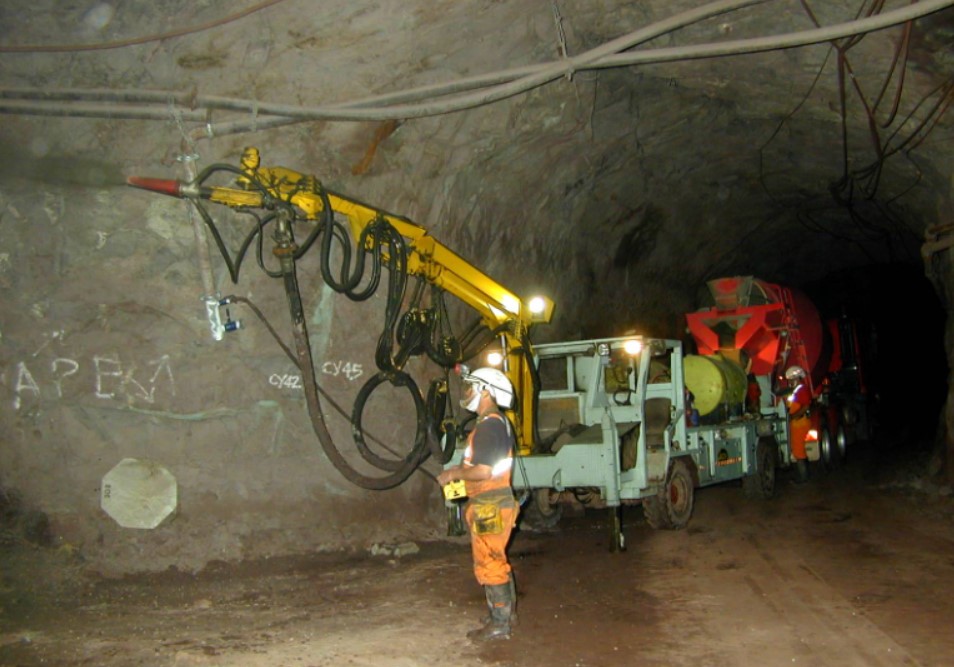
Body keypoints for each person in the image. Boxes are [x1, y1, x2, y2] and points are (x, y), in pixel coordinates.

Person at [436, 367, 519, 641]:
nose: (468, 391)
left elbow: (483, 471)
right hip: (489, 500)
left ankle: (500, 623)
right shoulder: (492, 423)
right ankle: (504, 614)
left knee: (490, 561)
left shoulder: (490, 425)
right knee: (492, 557)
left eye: (472, 386)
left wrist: (453, 474)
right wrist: (458, 488)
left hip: (491, 503)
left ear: (486, 390)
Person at [784, 366, 812, 482]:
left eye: (791, 379)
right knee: (797, 451)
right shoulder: (797, 390)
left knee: (799, 452)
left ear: (797, 378)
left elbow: (805, 406)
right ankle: (802, 476)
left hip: (799, 423)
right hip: (797, 423)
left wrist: (793, 416)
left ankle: (803, 478)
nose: (789, 382)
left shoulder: (801, 390)